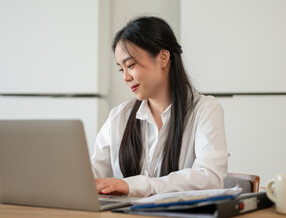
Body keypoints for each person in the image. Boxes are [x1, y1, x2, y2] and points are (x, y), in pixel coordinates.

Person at [92, 16, 229, 197]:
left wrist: (136, 186)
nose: (125, 77)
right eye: (121, 69)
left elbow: (210, 178)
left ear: (163, 57)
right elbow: (93, 177)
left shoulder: (205, 110)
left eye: (131, 65)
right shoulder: (119, 117)